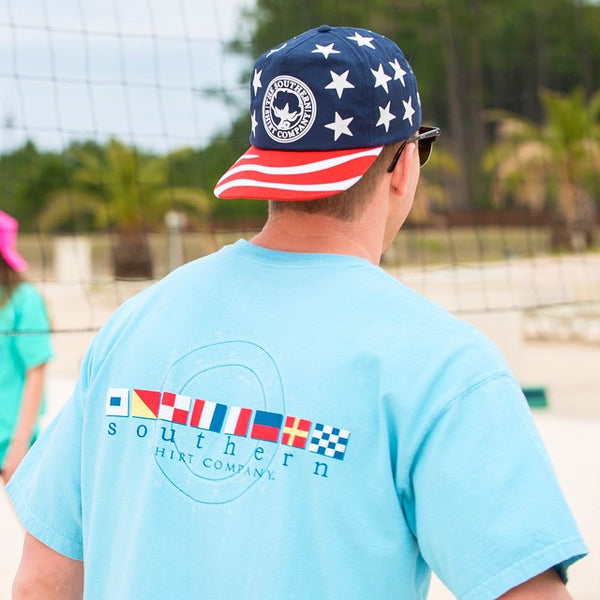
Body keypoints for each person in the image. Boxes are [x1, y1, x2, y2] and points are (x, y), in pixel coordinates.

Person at [7, 25, 586, 600]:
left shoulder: (133, 326)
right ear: (405, 165)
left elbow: (42, 584)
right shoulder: (442, 366)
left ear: (265, 165)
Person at [0, 210, 53, 485]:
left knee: (33, 527)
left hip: (11, 437)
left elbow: (37, 371)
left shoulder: (24, 300)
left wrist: (19, 444)